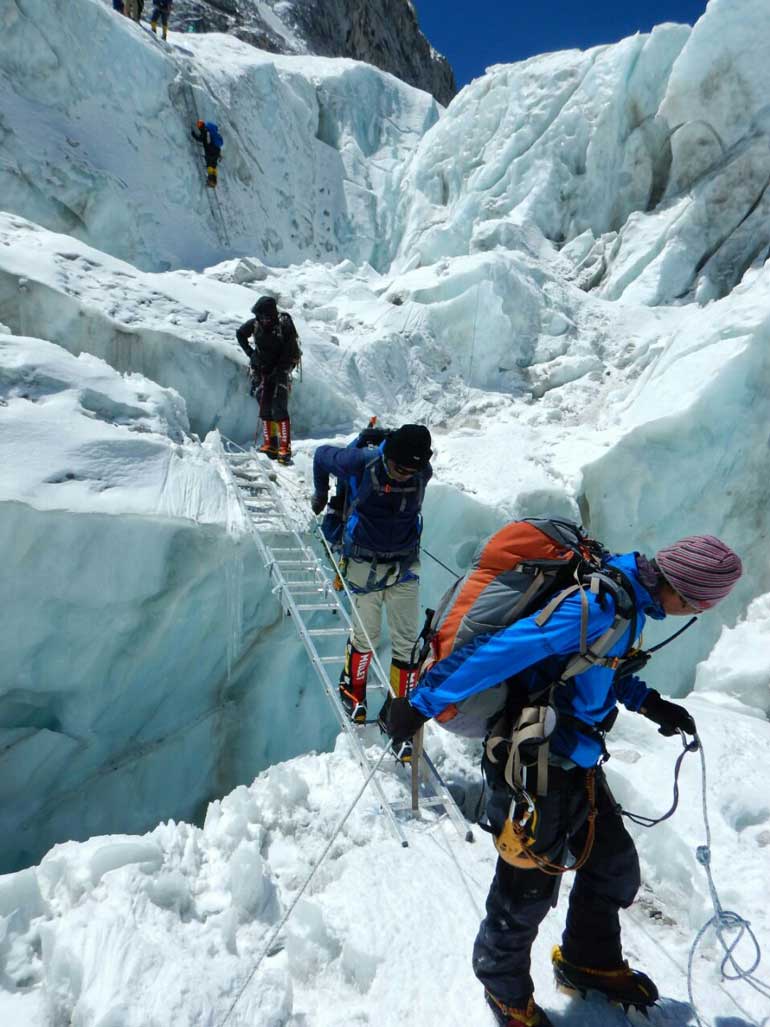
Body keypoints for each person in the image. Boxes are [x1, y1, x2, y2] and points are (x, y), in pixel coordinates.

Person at [381, 534, 742, 1026]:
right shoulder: (598, 603)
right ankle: (503, 988)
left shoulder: (628, 602)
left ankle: (587, 960)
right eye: (701, 603)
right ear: (689, 594)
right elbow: (508, 648)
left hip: (574, 757)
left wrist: (647, 701)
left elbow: (592, 666)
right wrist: (421, 704)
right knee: (526, 890)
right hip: (535, 763)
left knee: (613, 867)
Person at [310, 425, 433, 757]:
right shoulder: (360, 463)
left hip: (405, 567)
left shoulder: (423, 471)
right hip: (364, 566)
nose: (406, 474)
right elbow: (321, 455)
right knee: (367, 635)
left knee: (407, 644)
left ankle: (397, 715)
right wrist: (322, 497)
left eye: (413, 470)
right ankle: (352, 690)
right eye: (399, 468)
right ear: (386, 456)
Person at [236, 296, 300, 464]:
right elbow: (240, 334)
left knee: (279, 407)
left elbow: (290, 352)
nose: (262, 320)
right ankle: (270, 444)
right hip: (262, 370)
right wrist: (251, 354)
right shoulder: (255, 323)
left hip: (279, 371)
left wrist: (279, 370)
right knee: (264, 405)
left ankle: (284, 447)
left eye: (264, 317)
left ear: (271, 315)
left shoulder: (283, 326)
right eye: (260, 317)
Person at [191, 120, 222, 189]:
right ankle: (214, 181)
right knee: (214, 165)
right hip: (216, 151)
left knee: (209, 165)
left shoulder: (205, 130)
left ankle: (211, 181)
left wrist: (193, 134)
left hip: (210, 151)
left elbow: (201, 139)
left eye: (199, 125)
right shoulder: (213, 132)